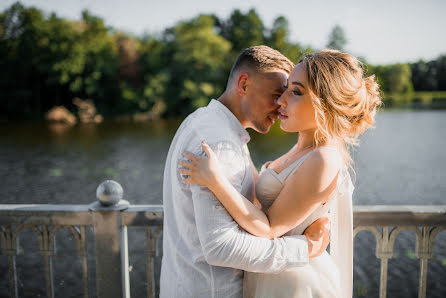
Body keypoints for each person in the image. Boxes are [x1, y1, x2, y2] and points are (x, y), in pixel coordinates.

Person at [179, 49, 382, 297]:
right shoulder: (301, 148)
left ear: (325, 104)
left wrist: (216, 182)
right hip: (271, 273)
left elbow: (269, 227)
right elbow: (259, 189)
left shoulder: (323, 158)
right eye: (286, 88)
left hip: (293, 283)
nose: (281, 100)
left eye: (296, 91)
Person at [160, 46, 331, 298]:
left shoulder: (200, 120)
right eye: (276, 94)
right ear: (243, 84)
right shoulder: (220, 144)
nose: (281, 105)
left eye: (288, 94)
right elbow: (221, 246)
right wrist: (304, 249)